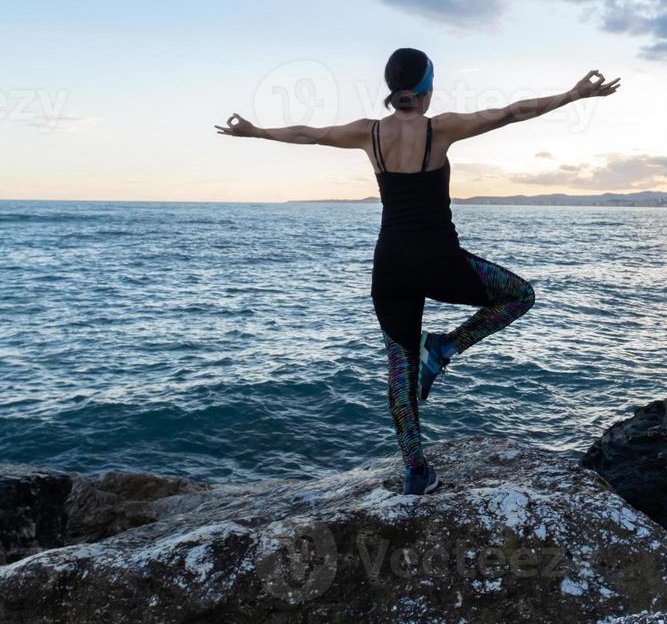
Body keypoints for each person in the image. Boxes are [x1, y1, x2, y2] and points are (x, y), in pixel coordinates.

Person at [216, 50, 621, 494]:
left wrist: (255, 132)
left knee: (399, 368)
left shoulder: (367, 133)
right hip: (437, 260)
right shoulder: (439, 128)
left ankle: (415, 471)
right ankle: (446, 347)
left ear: (392, 89)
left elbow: (307, 134)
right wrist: (574, 94)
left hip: (389, 266)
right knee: (519, 296)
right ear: (427, 86)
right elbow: (510, 113)